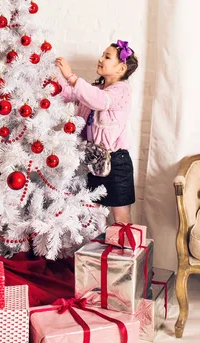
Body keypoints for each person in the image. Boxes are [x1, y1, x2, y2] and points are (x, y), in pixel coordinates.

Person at [56, 40, 139, 223]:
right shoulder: (97, 89)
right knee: (91, 211)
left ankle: (123, 248)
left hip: (116, 162)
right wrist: (53, 82)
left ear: (121, 68)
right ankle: (93, 249)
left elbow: (99, 100)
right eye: (102, 55)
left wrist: (72, 77)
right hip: (93, 160)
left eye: (107, 57)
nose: (100, 59)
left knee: (121, 217)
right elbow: (72, 94)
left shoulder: (122, 91)